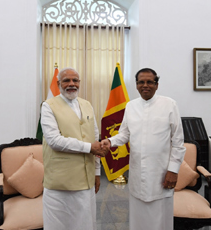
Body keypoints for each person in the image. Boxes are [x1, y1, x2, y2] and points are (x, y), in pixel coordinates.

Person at [101, 68, 186, 230]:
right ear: (136, 85)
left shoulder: (169, 104)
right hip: (138, 173)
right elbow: (124, 135)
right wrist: (109, 142)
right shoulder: (131, 106)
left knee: (160, 219)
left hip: (161, 173)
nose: (145, 85)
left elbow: (178, 141)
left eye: (149, 82)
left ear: (157, 85)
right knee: (138, 219)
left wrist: (173, 170)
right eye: (141, 82)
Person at [41, 67, 105, 230]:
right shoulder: (48, 106)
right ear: (58, 83)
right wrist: (89, 147)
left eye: (75, 80)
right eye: (66, 80)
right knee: (60, 224)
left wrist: (97, 172)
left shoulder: (87, 105)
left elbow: (95, 139)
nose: (71, 84)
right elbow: (55, 141)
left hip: (86, 178)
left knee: (85, 223)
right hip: (61, 181)